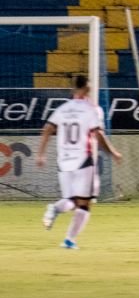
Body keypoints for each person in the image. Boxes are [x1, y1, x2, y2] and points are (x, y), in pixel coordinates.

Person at [36, 75, 122, 249]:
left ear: (73, 88)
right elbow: (98, 134)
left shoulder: (62, 109)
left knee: (72, 200)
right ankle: (69, 239)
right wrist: (113, 153)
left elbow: (47, 130)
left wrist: (41, 154)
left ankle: (55, 209)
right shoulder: (92, 110)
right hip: (83, 160)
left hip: (64, 161)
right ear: (87, 88)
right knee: (84, 203)